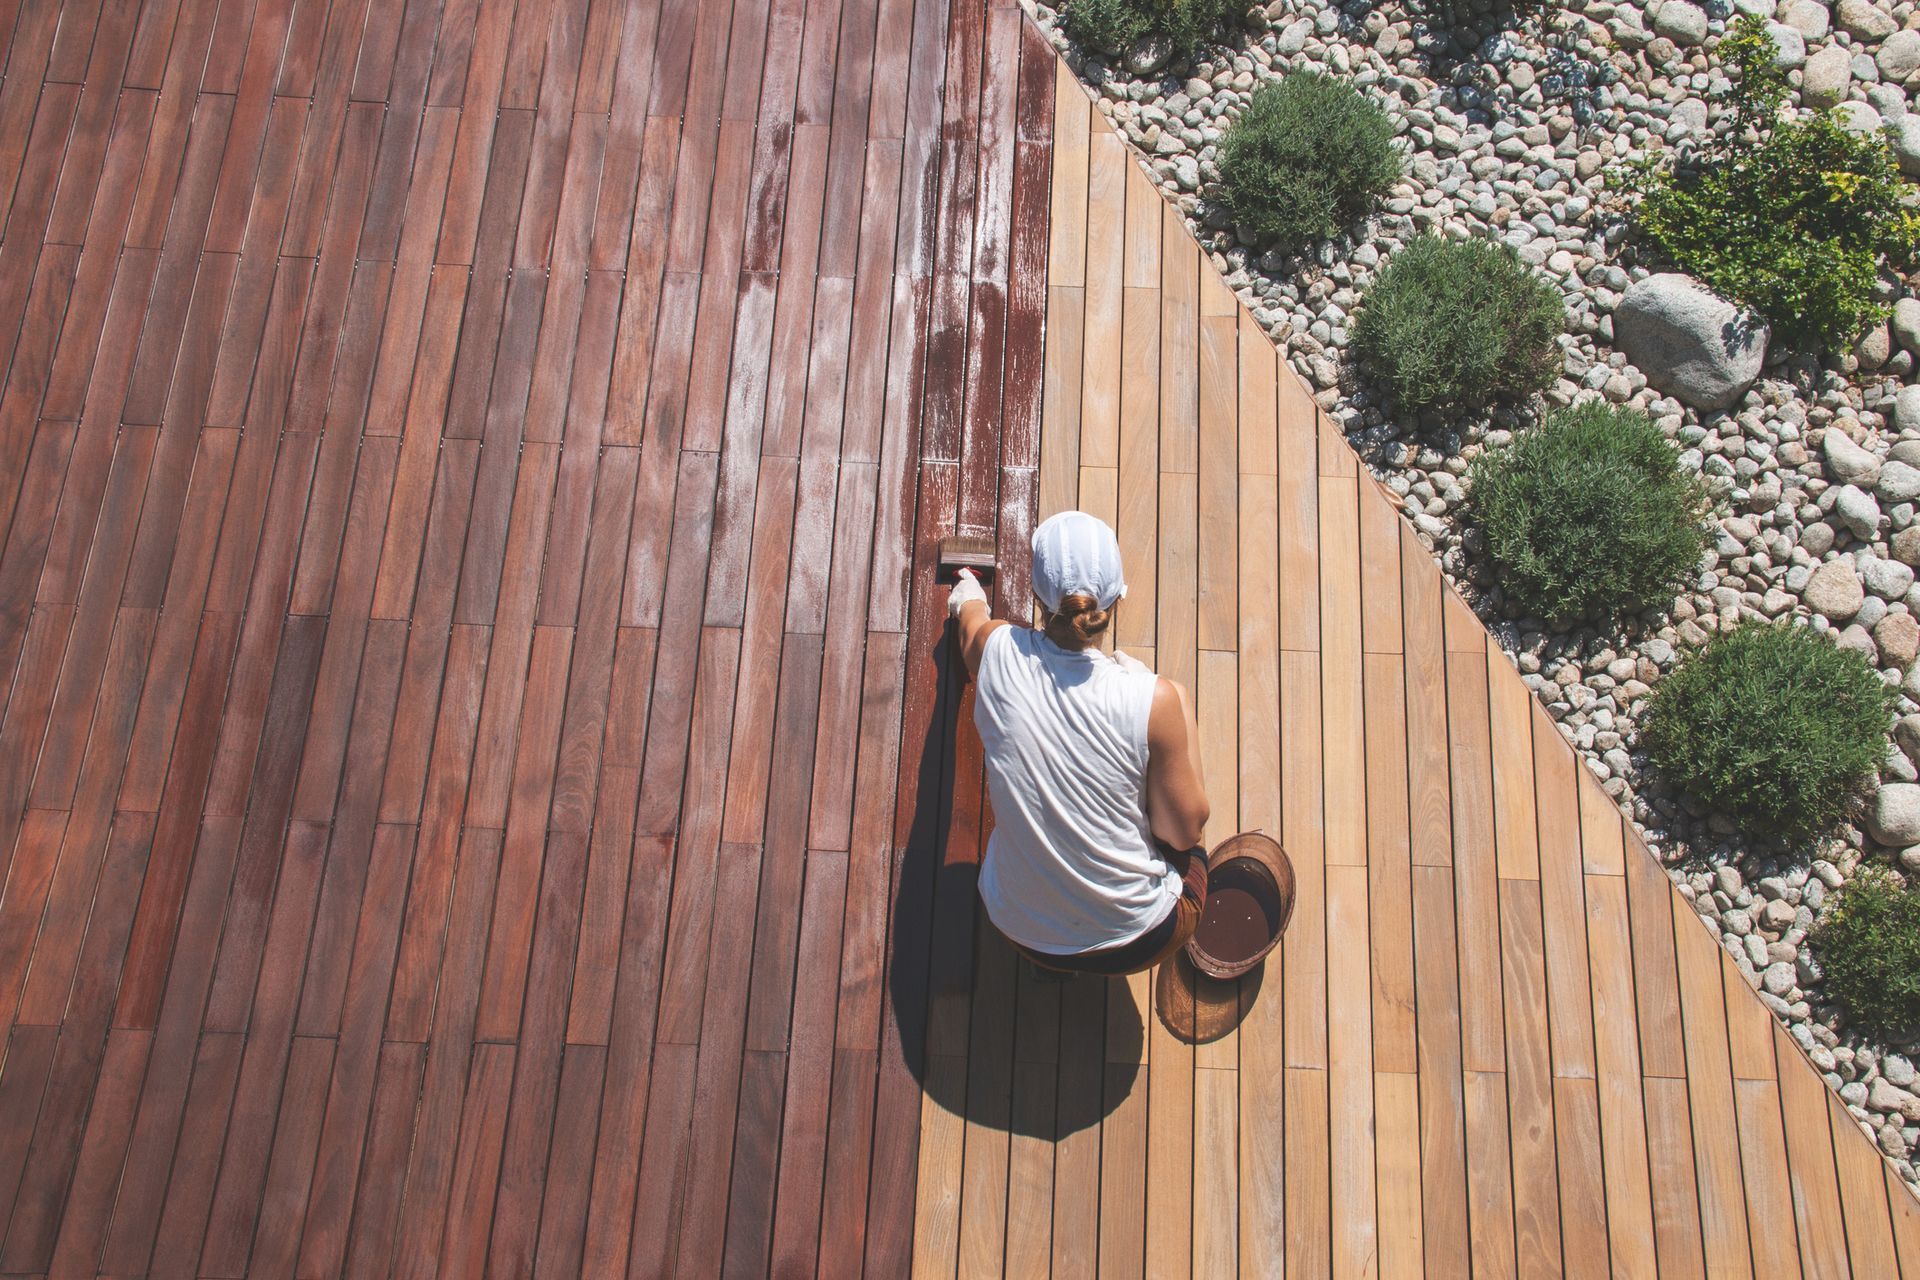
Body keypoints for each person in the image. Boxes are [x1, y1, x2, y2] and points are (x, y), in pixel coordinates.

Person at [946, 510, 1212, 976]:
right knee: (1186, 817)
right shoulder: (1151, 698)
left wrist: (967, 590)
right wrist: (1169, 698)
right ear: (1115, 602)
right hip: (1141, 937)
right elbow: (1184, 832)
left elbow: (970, 627)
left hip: (1019, 927)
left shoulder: (998, 653)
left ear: (1036, 597)